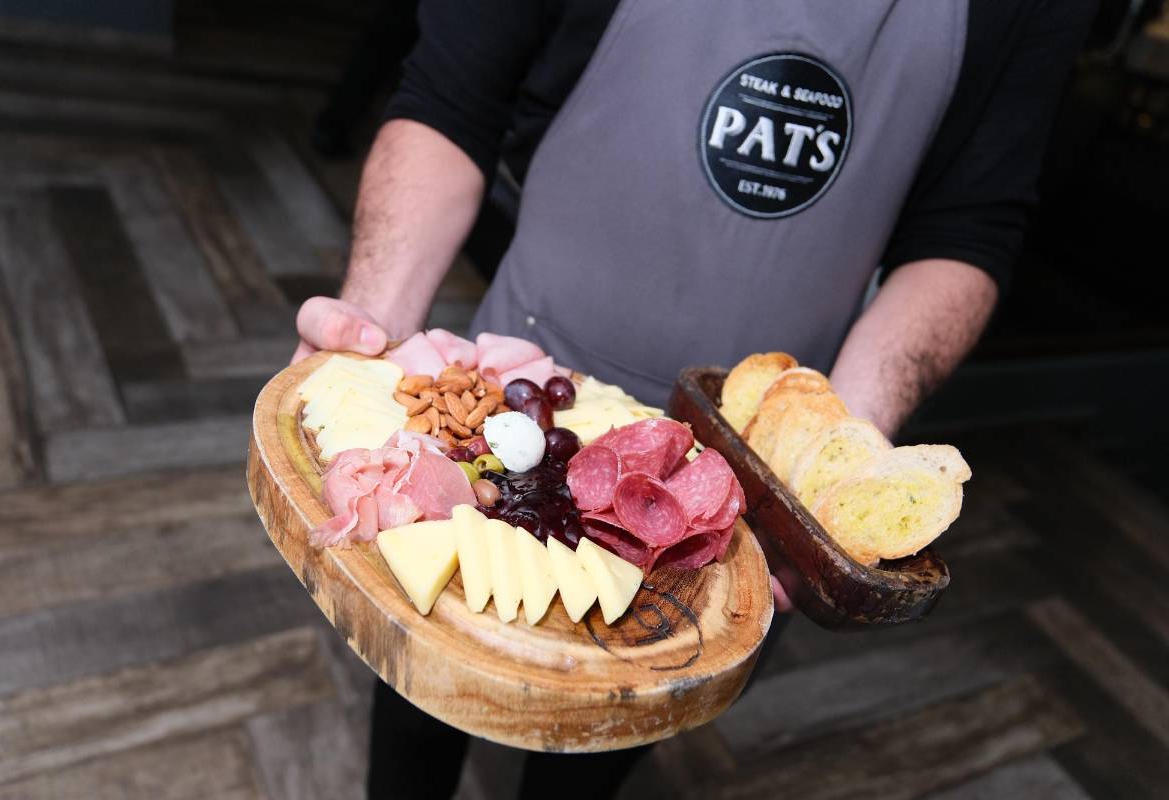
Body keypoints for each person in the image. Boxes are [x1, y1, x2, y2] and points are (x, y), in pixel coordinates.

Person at [290, 1, 1098, 797]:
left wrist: (828, 469)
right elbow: (450, 100)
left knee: (604, 744)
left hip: (747, 478)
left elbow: (967, 230)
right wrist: (371, 341)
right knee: (417, 702)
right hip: (514, 410)